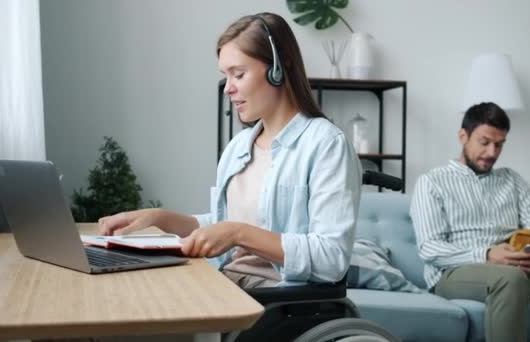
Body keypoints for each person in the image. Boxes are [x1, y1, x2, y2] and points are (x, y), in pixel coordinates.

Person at [98, 12, 361, 288]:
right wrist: (162, 219)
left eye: (239, 74)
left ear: (278, 69)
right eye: (226, 76)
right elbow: (224, 224)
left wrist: (239, 233)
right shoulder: (239, 147)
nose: (228, 88)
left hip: (276, 301)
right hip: (225, 282)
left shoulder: (326, 145)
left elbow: (331, 258)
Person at [410, 102, 530, 342]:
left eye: (499, 144)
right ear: (463, 136)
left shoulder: (511, 180)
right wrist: (486, 254)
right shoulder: (431, 182)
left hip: (517, 266)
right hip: (455, 273)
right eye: (484, 142)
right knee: (509, 278)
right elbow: (429, 248)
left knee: (511, 275)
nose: (492, 153)